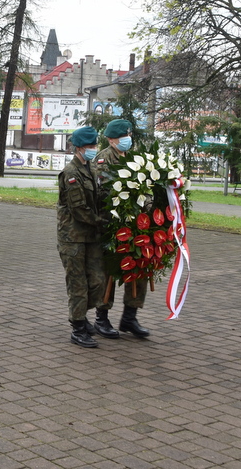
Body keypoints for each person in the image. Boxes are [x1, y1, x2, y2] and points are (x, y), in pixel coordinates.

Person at [94, 118, 149, 338]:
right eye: (122, 137)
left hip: (137, 226)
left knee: (138, 268)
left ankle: (129, 317)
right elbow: (100, 194)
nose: (127, 140)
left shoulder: (137, 159)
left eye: (128, 136)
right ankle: (102, 318)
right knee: (108, 272)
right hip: (112, 225)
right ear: (110, 139)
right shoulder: (102, 160)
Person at [57, 126, 105, 348]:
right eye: (90, 146)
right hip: (73, 237)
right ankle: (77, 327)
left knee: (97, 281)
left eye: (95, 145)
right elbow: (79, 209)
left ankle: (80, 316)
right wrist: (101, 221)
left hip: (91, 236)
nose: (93, 149)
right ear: (78, 148)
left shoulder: (91, 169)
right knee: (78, 284)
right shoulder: (71, 173)